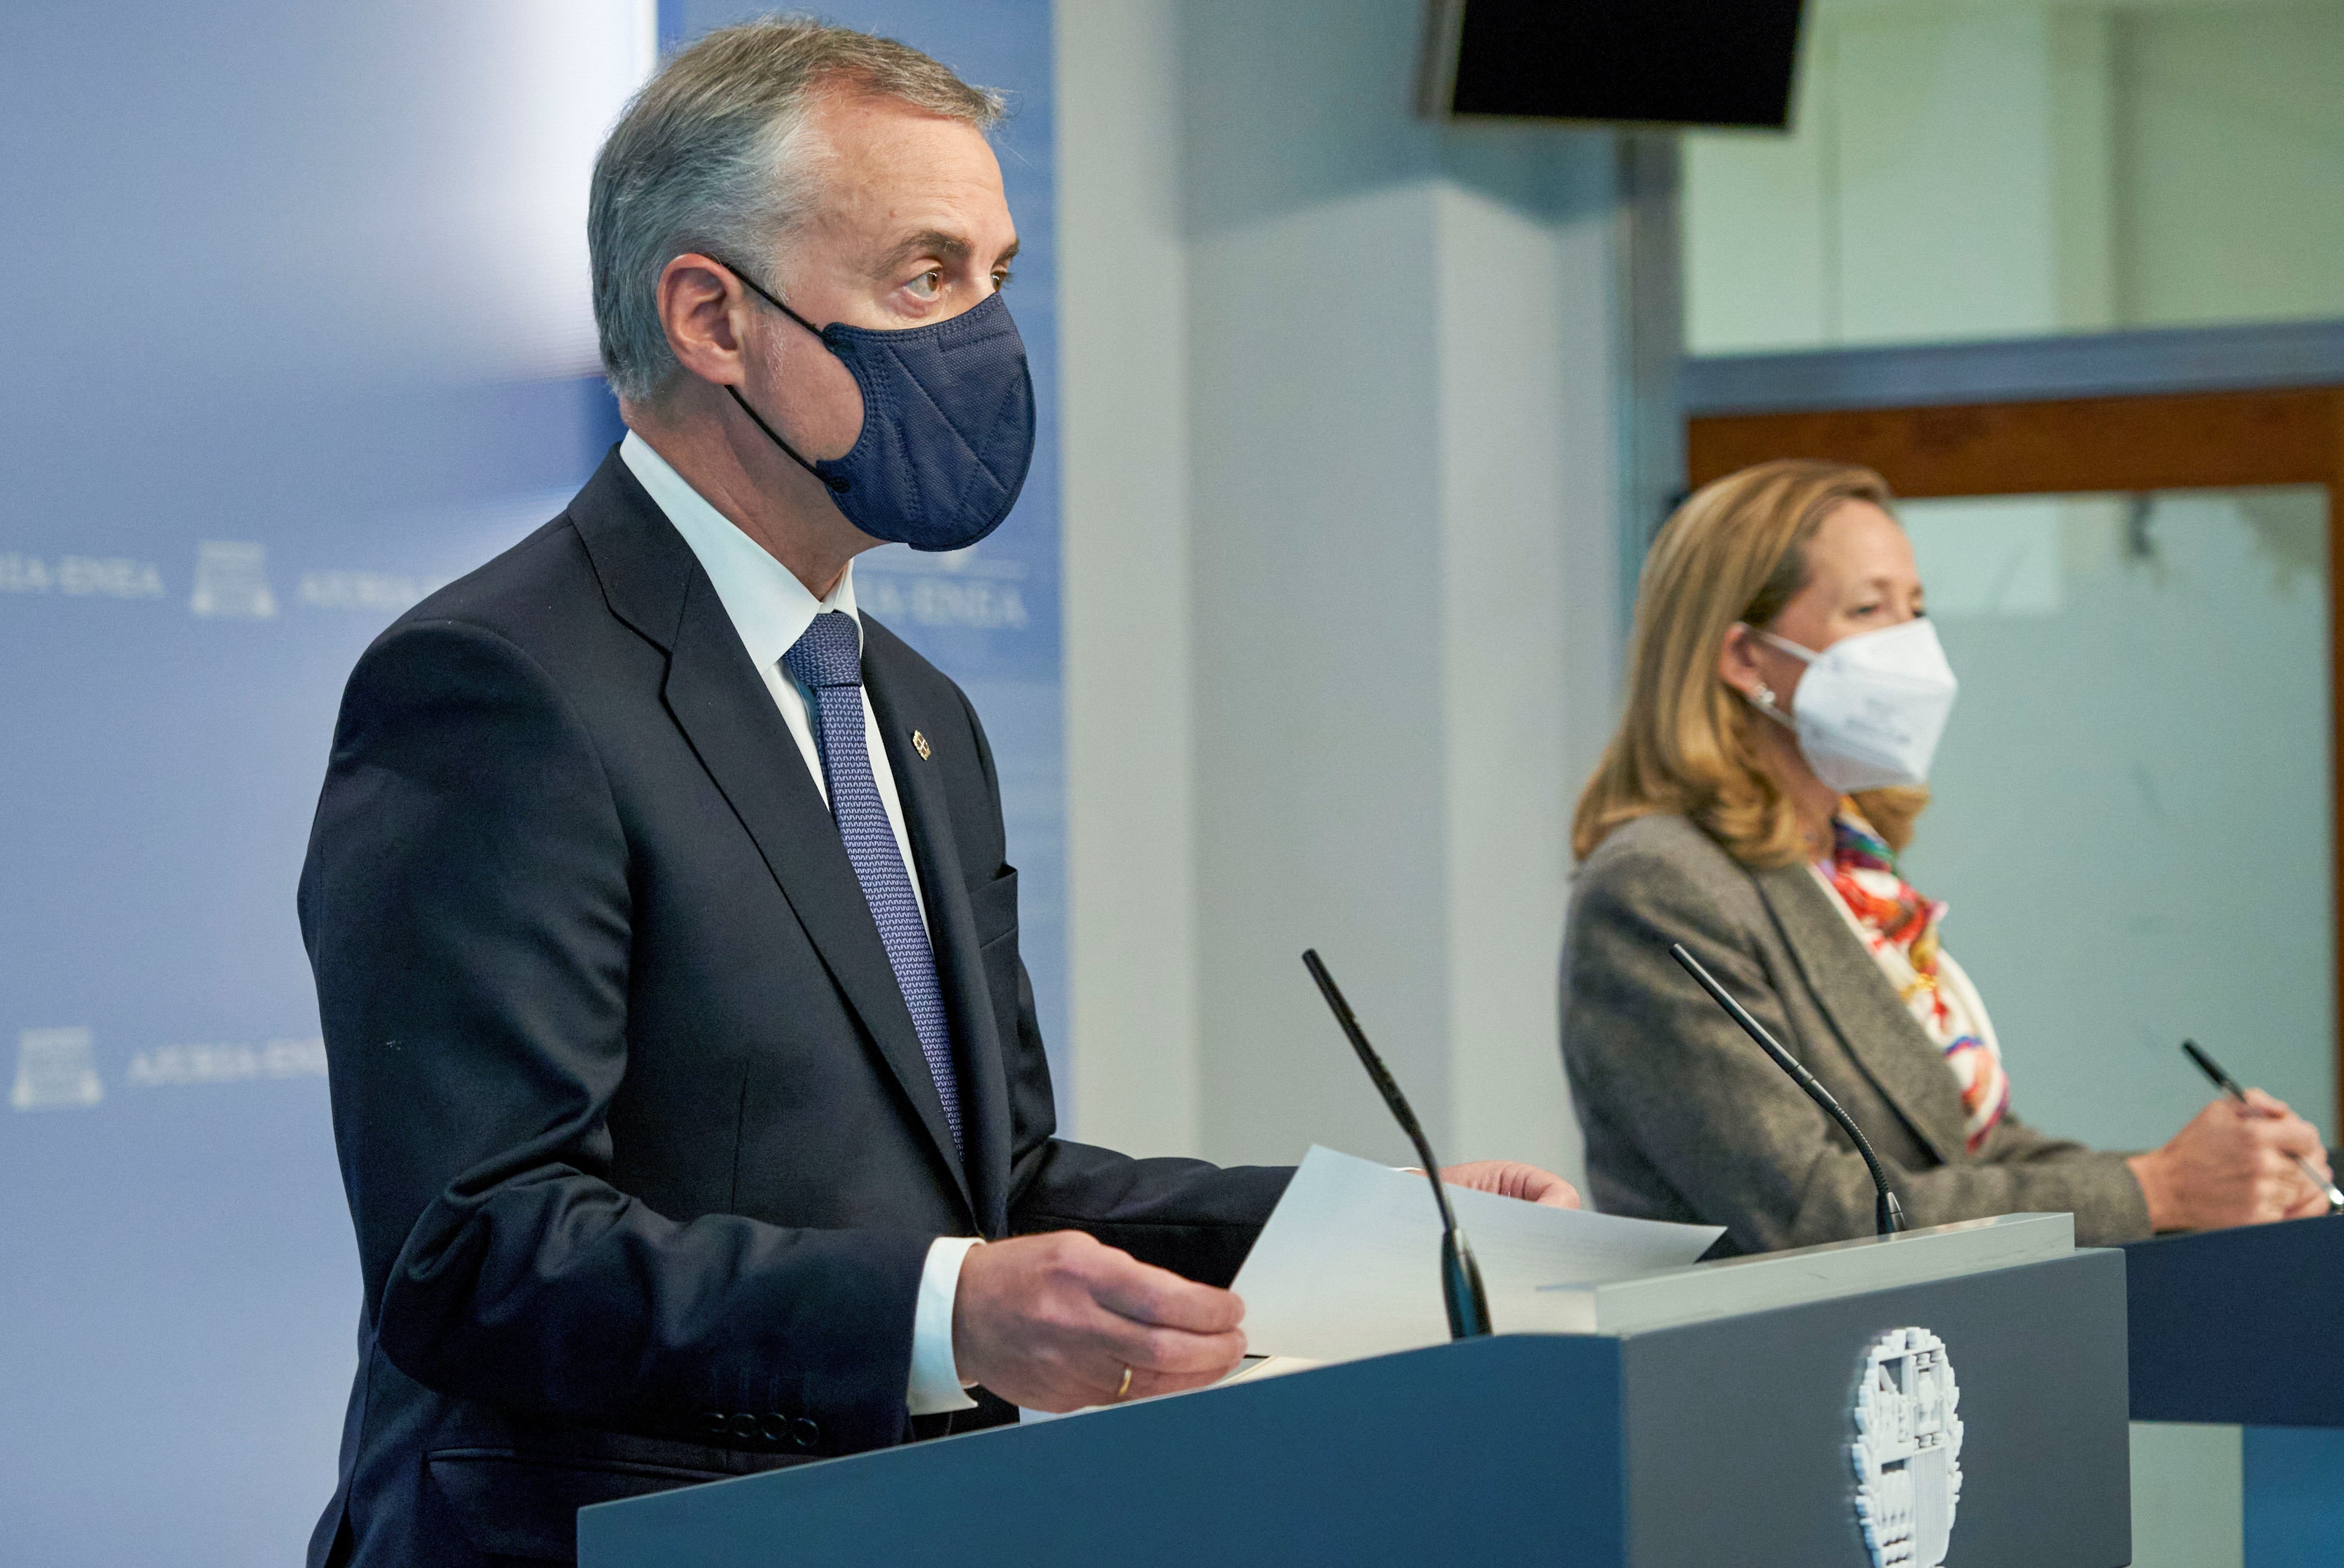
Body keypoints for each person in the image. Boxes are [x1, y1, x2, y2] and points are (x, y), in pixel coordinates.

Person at [299, 21, 1574, 1568]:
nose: (983, 336)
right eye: (924, 278)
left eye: (995, 274)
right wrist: (946, 1312)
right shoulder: (494, 686)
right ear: (710, 314)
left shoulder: (913, 710)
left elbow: (1000, 1180)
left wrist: (1367, 1229)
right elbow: (478, 1246)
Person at [1561, 458, 2332, 1258]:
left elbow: (1975, 1152)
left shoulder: (1851, 873)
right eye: (1868, 609)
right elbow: (1813, 1214)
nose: (1912, 645)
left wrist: (2220, 1176)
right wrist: (2160, 1187)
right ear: (1748, 658)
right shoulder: (1659, 886)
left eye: (1916, 609)